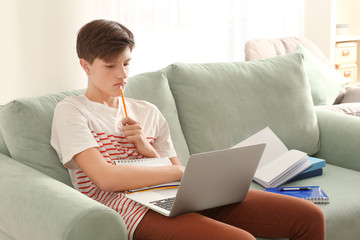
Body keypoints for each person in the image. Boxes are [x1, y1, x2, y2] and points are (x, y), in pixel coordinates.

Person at [50, 19, 326, 240]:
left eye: (126, 63)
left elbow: (176, 174)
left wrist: (147, 151)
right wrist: (178, 171)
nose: (122, 75)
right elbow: (105, 179)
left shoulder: (147, 111)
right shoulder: (72, 111)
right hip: (125, 208)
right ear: (85, 66)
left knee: (309, 216)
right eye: (110, 66)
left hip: (172, 196)